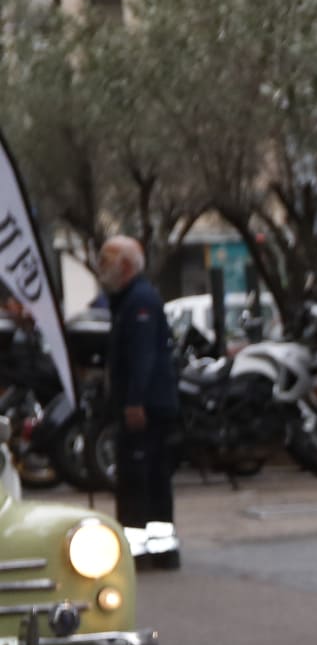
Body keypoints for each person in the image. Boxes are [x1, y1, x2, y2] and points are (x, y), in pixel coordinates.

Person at [97, 236, 178, 569]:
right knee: (152, 477)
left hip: (146, 407)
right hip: (150, 403)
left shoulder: (139, 301)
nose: (102, 271)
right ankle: (160, 550)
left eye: (107, 263)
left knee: (139, 478)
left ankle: (142, 553)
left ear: (126, 266)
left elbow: (143, 357)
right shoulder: (129, 300)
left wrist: (134, 402)